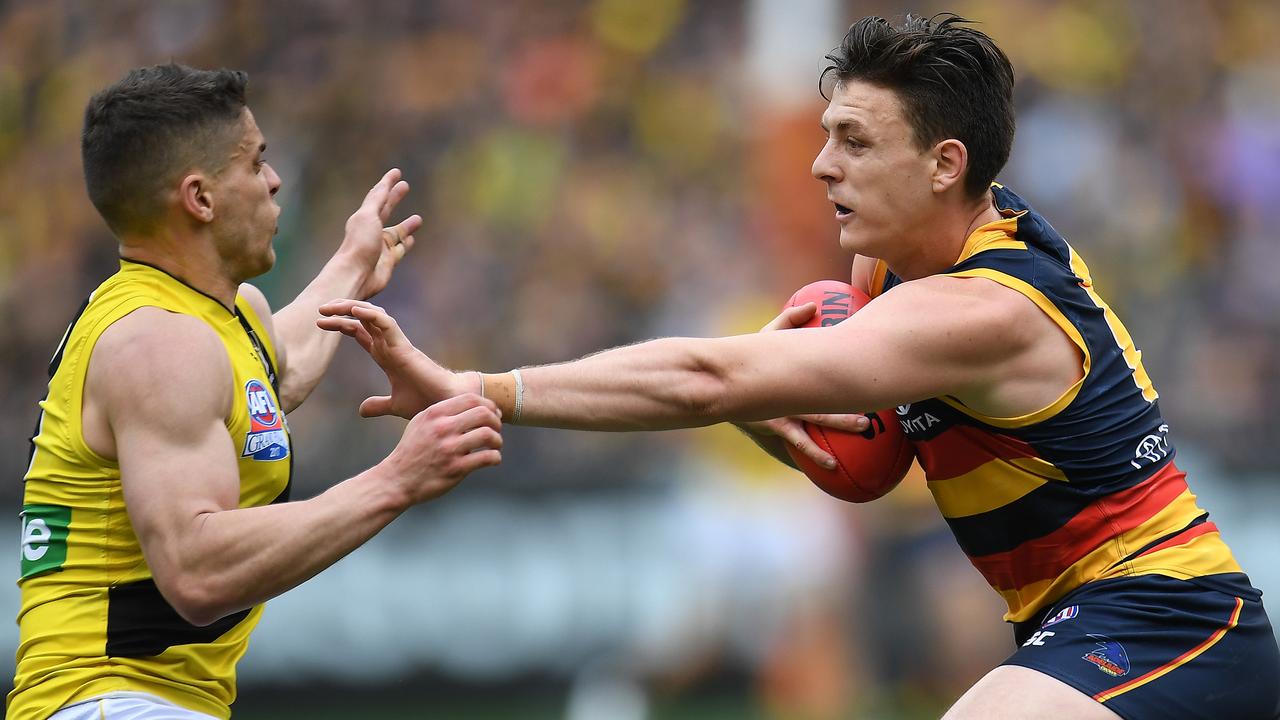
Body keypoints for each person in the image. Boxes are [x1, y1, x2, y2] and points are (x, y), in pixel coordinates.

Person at [318, 14, 1280, 720]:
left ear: (946, 164)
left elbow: (708, 376)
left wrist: (480, 389)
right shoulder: (909, 260)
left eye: (855, 142)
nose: (823, 165)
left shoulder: (984, 308)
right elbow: (866, 469)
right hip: (1079, 617)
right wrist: (770, 402)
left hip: (1170, 620)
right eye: (825, 134)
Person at [10, 64, 503, 720]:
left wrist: (353, 263)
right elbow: (196, 571)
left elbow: (275, 377)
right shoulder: (158, 343)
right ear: (200, 199)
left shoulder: (219, 316)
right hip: (108, 699)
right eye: (255, 163)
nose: (274, 182)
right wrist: (397, 480)